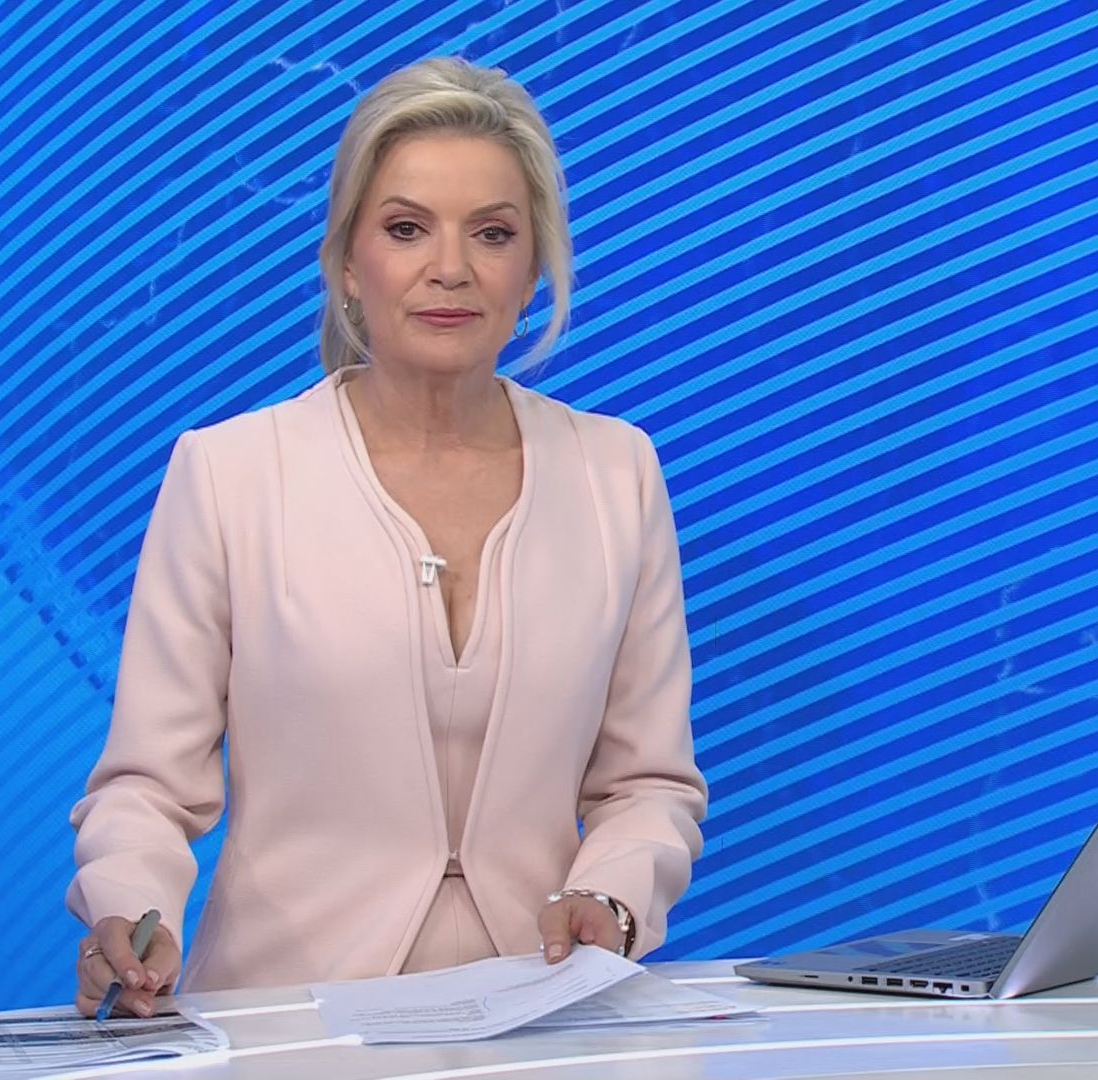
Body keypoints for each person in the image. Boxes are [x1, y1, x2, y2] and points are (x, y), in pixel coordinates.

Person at [68, 56, 707, 1019]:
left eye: (492, 233)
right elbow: (148, 789)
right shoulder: (231, 473)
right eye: (407, 229)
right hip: (289, 1023)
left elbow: (647, 783)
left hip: (543, 1013)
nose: (450, 268)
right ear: (345, 261)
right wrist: (130, 907)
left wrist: (612, 897)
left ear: (535, 268)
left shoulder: (615, 472)